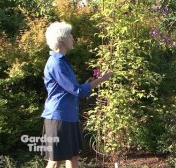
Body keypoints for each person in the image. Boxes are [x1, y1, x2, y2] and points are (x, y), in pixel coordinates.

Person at [41, 21, 113, 168]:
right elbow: (77, 91)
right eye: (70, 35)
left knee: (73, 157)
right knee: (54, 161)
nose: (73, 38)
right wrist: (102, 79)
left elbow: (72, 88)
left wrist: (87, 83)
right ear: (61, 39)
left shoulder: (62, 62)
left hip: (68, 116)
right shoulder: (56, 63)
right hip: (58, 118)